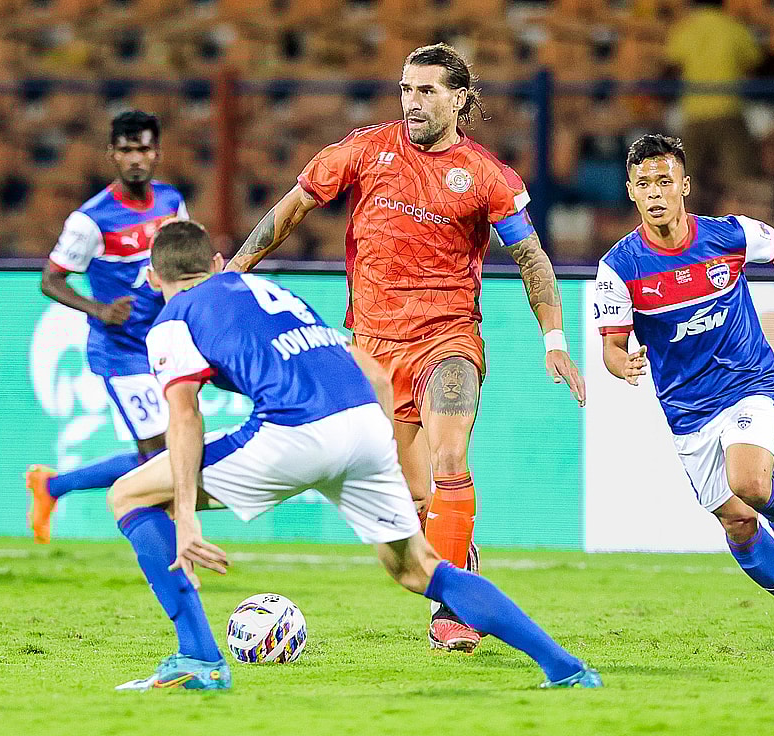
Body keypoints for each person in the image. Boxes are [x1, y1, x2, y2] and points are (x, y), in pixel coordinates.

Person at [107, 220, 601, 691]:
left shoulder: (172, 320)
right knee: (418, 569)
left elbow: (185, 416)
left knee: (129, 495)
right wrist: (384, 461)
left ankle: (198, 659)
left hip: (293, 429)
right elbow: (377, 375)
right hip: (364, 421)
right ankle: (566, 668)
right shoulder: (271, 291)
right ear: (217, 263)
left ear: (153, 278)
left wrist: (186, 516)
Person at [224, 43, 585, 652]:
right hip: (373, 349)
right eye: (405, 90)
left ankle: (453, 610)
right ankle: (459, 557)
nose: (412, 102)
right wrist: (233, 275)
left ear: (459, 99)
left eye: (426, 91)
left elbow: (531, 256)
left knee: (451, 459)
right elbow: (292, 208)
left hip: (448, 338)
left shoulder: (487, 176)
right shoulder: (365, 150)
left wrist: (554, 339)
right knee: (415, 497)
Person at [595, 134, 774, 639]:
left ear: (684, 185)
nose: (654, 192)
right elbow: (611, 346)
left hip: (747, 380)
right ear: (631, 192)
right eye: (643, 184)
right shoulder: (619, 267)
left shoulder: (728, 235)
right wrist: (622, 365)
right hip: (687, 409)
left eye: (664, 181)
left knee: (750, 482)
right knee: (738, 522)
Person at [24, 110, 188, 544]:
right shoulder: (91, 220)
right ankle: (172, 550)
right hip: (121, 352)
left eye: (143, 149)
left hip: (164, 344)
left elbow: (180, 259)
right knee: (163, 456)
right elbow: (50, 280)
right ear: (112, 154)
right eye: (126, 150)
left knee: (168, 453)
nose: (136, 159)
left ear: (157, 152)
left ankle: (52, 486)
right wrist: (98, 309)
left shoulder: (171, 202)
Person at [665, 0, 763, 212]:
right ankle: (738, 227)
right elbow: (753, 63)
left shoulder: (685, 28)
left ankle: (682, 228)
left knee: (685, 180)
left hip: (694, 113)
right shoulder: (734, 28)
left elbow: (672, 64)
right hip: (728, 110)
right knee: (739, 180)